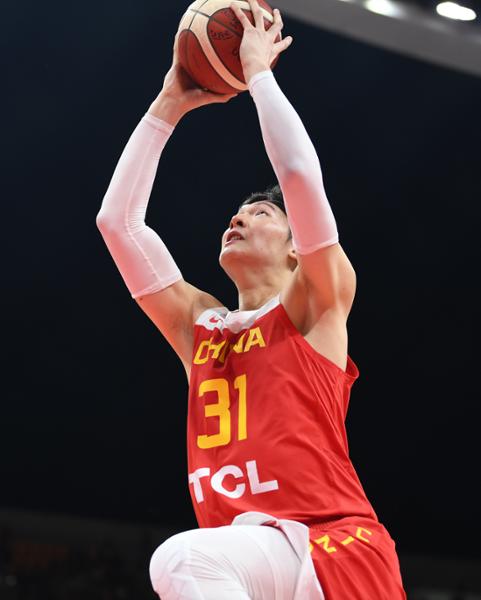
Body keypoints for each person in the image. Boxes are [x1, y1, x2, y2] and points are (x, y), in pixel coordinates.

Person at [96, 0, 407, 598]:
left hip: (332, 546)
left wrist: (258, 71)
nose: (238, 217)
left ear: (296, 250)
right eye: (236, 213)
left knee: (183, 559)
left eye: (261, 213)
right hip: (256, 561)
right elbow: (118, 223)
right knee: (193, 560)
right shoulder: (199, 327)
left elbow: (299, 176)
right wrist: (169, 102)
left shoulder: (316, 300)